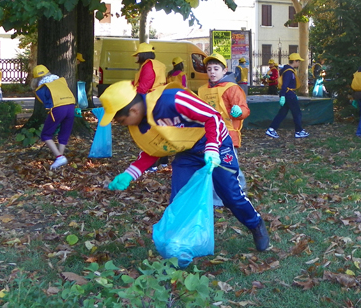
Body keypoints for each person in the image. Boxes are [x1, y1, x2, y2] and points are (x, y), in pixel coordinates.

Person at [99, 80, 269, 252]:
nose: (123, 125)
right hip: (188, 152)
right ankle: (180, 243)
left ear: (133, 110)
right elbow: (154, 148)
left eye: (121, 120)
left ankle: (256, 224)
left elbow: (213, 118)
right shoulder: (142, 123)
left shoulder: (173, 100)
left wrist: (211, 148)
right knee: (179, 198)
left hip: (217, 143)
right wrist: (130, 173)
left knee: (230, 195)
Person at [198, 53, 250, 206]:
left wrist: (239, 112)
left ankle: (239, 194)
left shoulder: (232, 88)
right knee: (212, 166)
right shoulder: (202, 90)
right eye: (209, 69)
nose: (212, 72)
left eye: (216, 68)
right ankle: (216, 199)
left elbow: (244, 109)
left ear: (224, 70)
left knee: (230, 166)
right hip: (208, 134)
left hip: (228, 134)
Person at [32, 65, 76, 170]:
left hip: (58, 108)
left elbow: (46, 104)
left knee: (46, 135)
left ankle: (59, 157)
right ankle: (60, 157)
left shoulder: (42, 88)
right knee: (64, 132)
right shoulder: (60, 81)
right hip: (71, 105)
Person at [265, 52, 309, 139]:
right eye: (298, 61)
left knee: (282, 113)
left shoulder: (288, 70)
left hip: (289, 94)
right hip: (289, 95)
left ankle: (271, 129)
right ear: (295, 61)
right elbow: (285, 84)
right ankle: (298, 131)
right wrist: (283, 95)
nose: (299, 63)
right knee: (297, 113)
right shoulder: (289, 72)